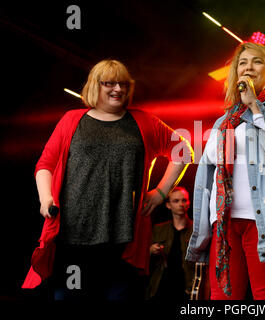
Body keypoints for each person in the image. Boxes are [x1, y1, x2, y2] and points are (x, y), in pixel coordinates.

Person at [22, 59, 194, 300]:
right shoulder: (72, 120)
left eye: (123, 84)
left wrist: (161, 192)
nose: (118, 89)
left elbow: (183, 151)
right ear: (95, 85)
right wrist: (45, 198)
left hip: (122, 238)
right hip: (73, 233)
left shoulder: (143, 122)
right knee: (69, 297)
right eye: (110, 83)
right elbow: (46, 164)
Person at [186, 42, 265, 300]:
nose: (248, 67)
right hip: (224, 220)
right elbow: (208, 167)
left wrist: (255, 106)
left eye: (257, 61)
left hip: (264, 219)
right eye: (243, 62)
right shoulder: (226, 119)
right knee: (223, 299)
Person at [145, 187, 195, 300]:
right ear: (168, 205)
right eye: (176, 201)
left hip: (186, 287)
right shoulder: (158, 229)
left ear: (189, 203)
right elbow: (143, 258)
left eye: (184, 200)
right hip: (162, 286)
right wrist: (151, 250)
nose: (181, 204)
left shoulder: (196, 231)